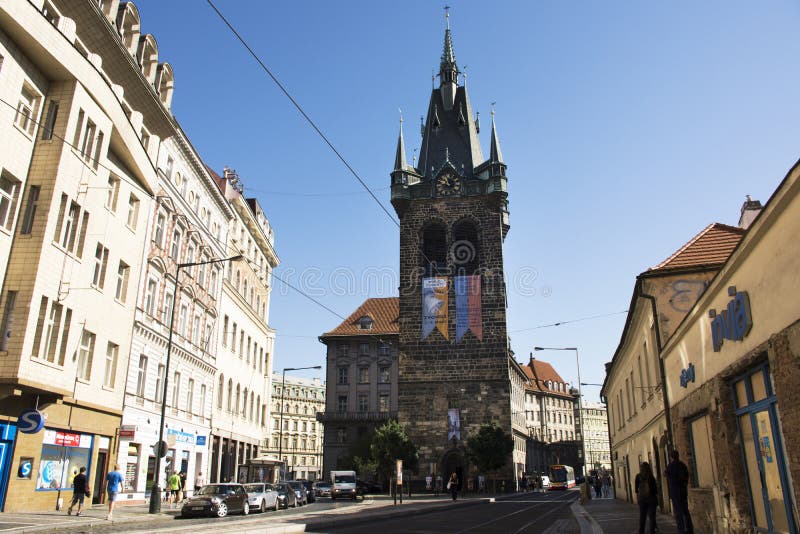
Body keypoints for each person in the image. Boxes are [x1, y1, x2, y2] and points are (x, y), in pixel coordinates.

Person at [665, 450, 694, 534]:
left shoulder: (670, 466)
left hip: (675, 491)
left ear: (671, 457)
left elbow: (666, 474)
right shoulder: (682, 465)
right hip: (683, 490)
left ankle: (681, 529)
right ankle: (689, 528)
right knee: (685, 510)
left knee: (678, 511)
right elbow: (687, 475)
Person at [635, 462, 658, 534]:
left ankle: (641, 531)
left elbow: (636, 489)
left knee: (642, 516)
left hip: (642, 499)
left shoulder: (638, 476)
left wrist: (638, 496)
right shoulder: (650, 477)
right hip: (651, 498)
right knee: (652, 517)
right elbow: (655, 490)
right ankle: (652, 531)